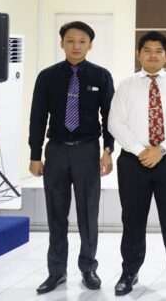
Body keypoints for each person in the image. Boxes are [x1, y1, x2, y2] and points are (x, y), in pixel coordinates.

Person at [28, 21, 115, 294]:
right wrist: (35, 155)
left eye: (82, 41)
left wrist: (108, 150)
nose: (76, 46)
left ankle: (88, 268)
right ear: (62, 43)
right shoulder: (47, 77)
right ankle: (56, 271)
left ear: (90, 45)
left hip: (87, 151)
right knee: (56, 213)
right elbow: (37, 117)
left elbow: (109, 116)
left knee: (88, 213)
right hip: (55, 151)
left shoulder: (101, 76)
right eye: (70, 41)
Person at [108, 31, 166, 296]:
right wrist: (140, 151)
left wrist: (161, 149)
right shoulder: (126, 86)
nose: (153, 55)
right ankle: (129, 272)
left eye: (159, 51)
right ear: (139, 54)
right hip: (133, 162)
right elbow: (115, 123)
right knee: (132, 219)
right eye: (147, 50)